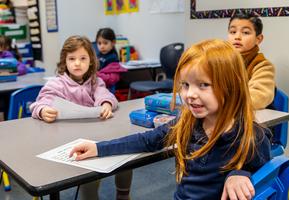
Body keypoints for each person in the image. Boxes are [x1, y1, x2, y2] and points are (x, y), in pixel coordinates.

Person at [69, 39, 272, 200]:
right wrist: (98, 148)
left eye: (203, 85)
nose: (190, 94)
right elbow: (146, 140)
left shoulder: (250, 135)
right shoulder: (187, 123)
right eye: (185, 85)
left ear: (231, 87)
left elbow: (265, 170)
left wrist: (242, 173)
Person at [29, 35, 120, 200]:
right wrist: (42, 110)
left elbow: (104, 95)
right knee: (87, 175)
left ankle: (123, 194)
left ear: (91, 61)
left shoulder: (94, 81)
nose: (77, 63)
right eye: (72, 58)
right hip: (66, 141)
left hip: (93, 137)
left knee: (123, 155)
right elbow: (39, 103)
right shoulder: (56, 84)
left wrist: (106, 103)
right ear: (65, 61)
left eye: (83, 58)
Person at [227, 12, 275, 110]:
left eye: (245, 32)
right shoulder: (220, 61)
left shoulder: (263, 66)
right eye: (233, 32)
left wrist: (221, 102)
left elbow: (258, 97)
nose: (237, 37)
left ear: (258, 39)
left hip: (250, 119)